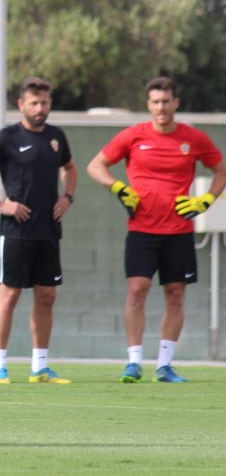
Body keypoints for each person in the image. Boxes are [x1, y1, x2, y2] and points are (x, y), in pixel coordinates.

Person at [87, 76, 226, 383]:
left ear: (176, 103)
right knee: (137, 290)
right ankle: (133, 362)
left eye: (166, 101)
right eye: (155, 102)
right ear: (148, 105)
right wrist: (118, 187)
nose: (161, 107)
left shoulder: (194, 138)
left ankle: (165, 365)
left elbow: (221, 170)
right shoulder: (133, 136)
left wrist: (206, 200)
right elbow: (95, 166)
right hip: (142, 229)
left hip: (178, 231)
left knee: (175, 295)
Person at [0, 77, 77, 385]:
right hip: (16, 231)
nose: (40, 108)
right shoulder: (8, 137)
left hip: (48, 230)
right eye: (34, 103)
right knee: (9, 295)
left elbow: (70, 168)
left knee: (47, 295)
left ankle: (40, 367)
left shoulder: (56, 137)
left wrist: (67, 197)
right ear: (22, 105)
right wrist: (0, 204)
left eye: (45, 103)